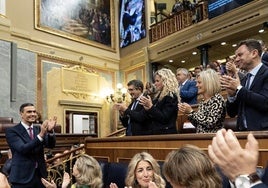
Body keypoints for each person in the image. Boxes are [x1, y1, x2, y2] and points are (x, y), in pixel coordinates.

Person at [5, 103, 57, 188]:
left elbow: (51, 145)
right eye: (29, 112)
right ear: (21, 114)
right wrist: (40, 135)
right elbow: (23, 149)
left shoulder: (39, 129)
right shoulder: (12, 131)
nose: (33, 114)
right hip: (22, 178)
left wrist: (50, 131)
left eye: (34, 112)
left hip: (40, 176)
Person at [220, 39, 268, 131]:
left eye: (240, 55)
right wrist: (231, 95)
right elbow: (232, 113)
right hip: (242, 134)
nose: (236, 59)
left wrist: (238, 88)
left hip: (263, 134)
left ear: (254, 53)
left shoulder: (266, 73)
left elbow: (265, 103)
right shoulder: (244, 79)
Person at [178, 69, 226, 133]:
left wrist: (191, 111)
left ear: (208, 83)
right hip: (201, 137)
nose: (196, 85)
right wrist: (188, 112)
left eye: (199, 82)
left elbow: (210, 122)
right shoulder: (203, 101)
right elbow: (198, 124)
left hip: (213, 138)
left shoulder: (217, 99)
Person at [139, 68, 179, 135]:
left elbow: (164, 118)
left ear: (165, 81)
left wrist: (150, 107)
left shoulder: (171, 96)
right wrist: (148, 109)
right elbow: (154, 114)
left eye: (157, 81)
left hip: (167, 134)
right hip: (156, 132)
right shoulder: (158, 96)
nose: (155, 84)